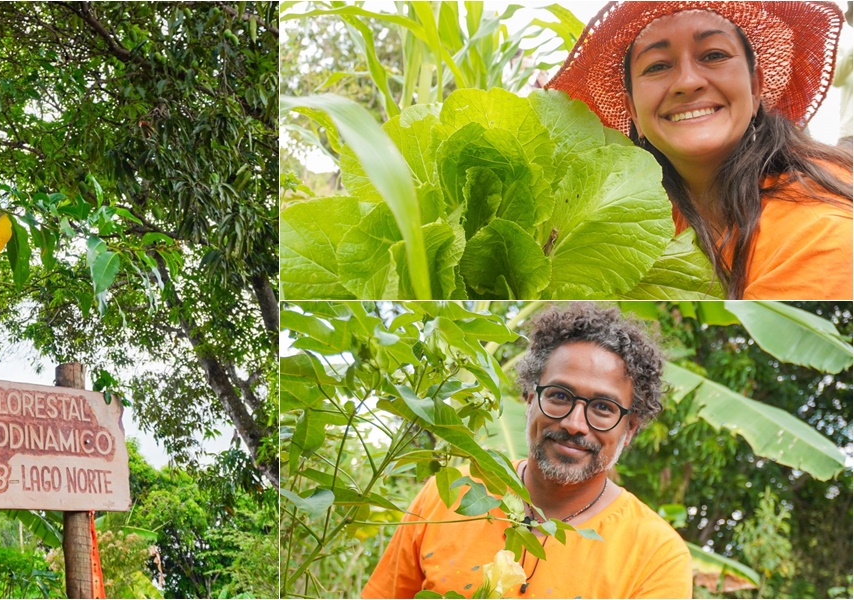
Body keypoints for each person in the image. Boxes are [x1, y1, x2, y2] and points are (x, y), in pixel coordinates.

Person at [363, 303, 691, 598]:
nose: (575, 423)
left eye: (603, 407)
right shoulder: (448, 496)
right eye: (560, 396)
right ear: (531, 397)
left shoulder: (655, 554)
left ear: (631, 428)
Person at [546, 1, 852, 300]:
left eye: (714, 55)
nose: (688, 82)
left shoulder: (823, 232)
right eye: (658, 66)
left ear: (755, 87)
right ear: (633, 112)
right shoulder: (632, 213)